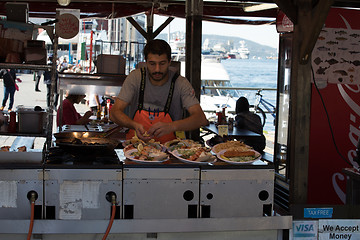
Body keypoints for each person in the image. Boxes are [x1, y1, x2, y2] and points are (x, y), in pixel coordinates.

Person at [110, 39, 208, 143]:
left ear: (170, 62)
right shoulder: (135, 77)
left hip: (169, 149)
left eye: (162, 63)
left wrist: (172, 126)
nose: (157, 69)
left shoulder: (181, 83)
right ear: (146, 61)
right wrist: (133, 125)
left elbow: (200, 118)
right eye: (152, 64)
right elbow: (114, 113)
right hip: (135, 148)